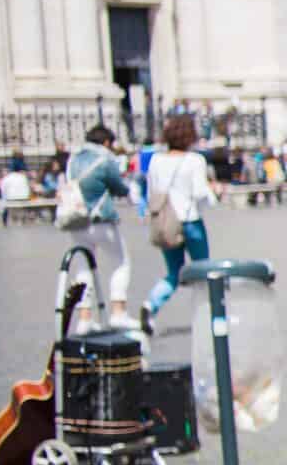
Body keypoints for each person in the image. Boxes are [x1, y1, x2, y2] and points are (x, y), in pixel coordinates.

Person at [139, 114, 215, 330]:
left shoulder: (155, 160)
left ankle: (150, 304)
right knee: (203, 270)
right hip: (190, 220)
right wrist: (214, 194)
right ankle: (207, 314)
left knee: (174, 272)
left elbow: (152, 190)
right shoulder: (194, 160)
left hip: (166, 221)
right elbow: (200, 193)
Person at [63, 124, 138, 331]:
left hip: (77, 219)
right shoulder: (105, 158)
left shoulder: (73, 159)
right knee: (120, 261)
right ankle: (118, 311)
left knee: (83, 266)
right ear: (106, 142)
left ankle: (85, 318)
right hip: (101, 219)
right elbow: (118, 187)